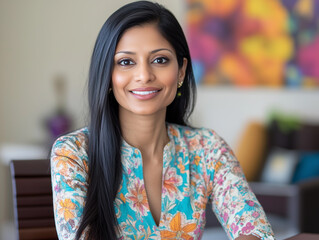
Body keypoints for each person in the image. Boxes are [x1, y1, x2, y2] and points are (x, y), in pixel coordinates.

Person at [50, 1, 275, 239]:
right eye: (126, 62)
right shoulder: (73, 154)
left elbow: (255, 230)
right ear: (107, 74)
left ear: (180, 71)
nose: (144, 75)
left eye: (160, 60)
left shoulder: (207, 148)